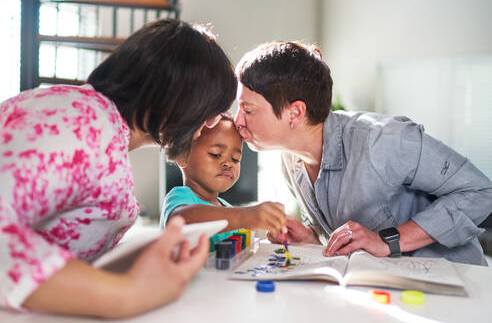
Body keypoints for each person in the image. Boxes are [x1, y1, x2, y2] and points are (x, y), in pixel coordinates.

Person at [0, 19, 238, 318]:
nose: (209, 127)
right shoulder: (80, 122)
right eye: (212, 114)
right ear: (182, 99)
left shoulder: (101, 126)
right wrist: (127, 295)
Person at [233, 41, 492, 266]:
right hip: (385, 290)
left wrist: (387, 241)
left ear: (296, 113)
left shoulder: (383, 140)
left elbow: (480, 192)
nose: (237, 121)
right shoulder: (290, 160)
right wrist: (311, 239)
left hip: (453, 287)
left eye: (248, 109)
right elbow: (349, 237)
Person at [161, 115, 287, 237]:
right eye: (215, 154)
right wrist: (244, 216)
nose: (228, 164)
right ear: (183, 156)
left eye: (235, 159)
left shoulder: (227, 208)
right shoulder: (180, 197)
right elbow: (181, 220)